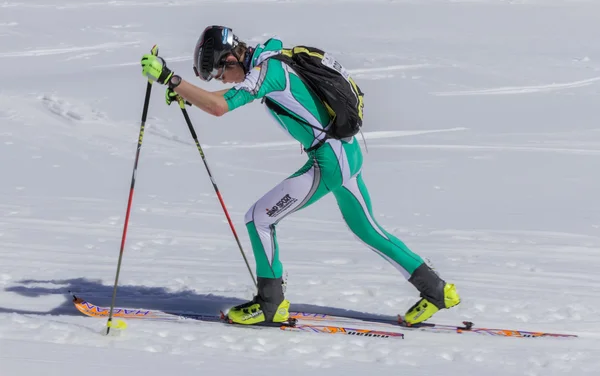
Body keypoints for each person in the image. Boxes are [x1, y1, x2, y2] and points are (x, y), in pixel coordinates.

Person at [139, 25, 460, 326]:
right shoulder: (271, 63)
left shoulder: (268, 72)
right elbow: (220, 100)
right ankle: (438, 291)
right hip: (345, 153)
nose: (222, 80)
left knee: (259, 218)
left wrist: (172, 80)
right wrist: (189, 94)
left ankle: (270, 304)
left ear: (232, 58)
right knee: (369, 230)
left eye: (220, 72)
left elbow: (220, 108)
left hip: (330, 160)